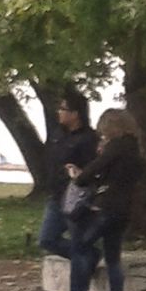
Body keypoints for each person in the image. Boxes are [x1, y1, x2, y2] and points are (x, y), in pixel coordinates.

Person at [67, 108, 145, 291]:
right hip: (125, 209)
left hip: (107, 206)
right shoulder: (136, 149)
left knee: (82, 247)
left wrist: (79, 177)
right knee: (113, 257)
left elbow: (95, 169)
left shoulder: (116, 147)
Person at [38, 91, 98, 258]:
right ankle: (89, 256)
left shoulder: (88, 139)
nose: (59, 112)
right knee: (47, 239)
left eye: (63, 109)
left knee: (79, 239)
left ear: (75, 114)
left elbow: (91, 169)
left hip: (75, 198)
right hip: (56, 196)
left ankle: (85, 261)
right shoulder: (58, 135)